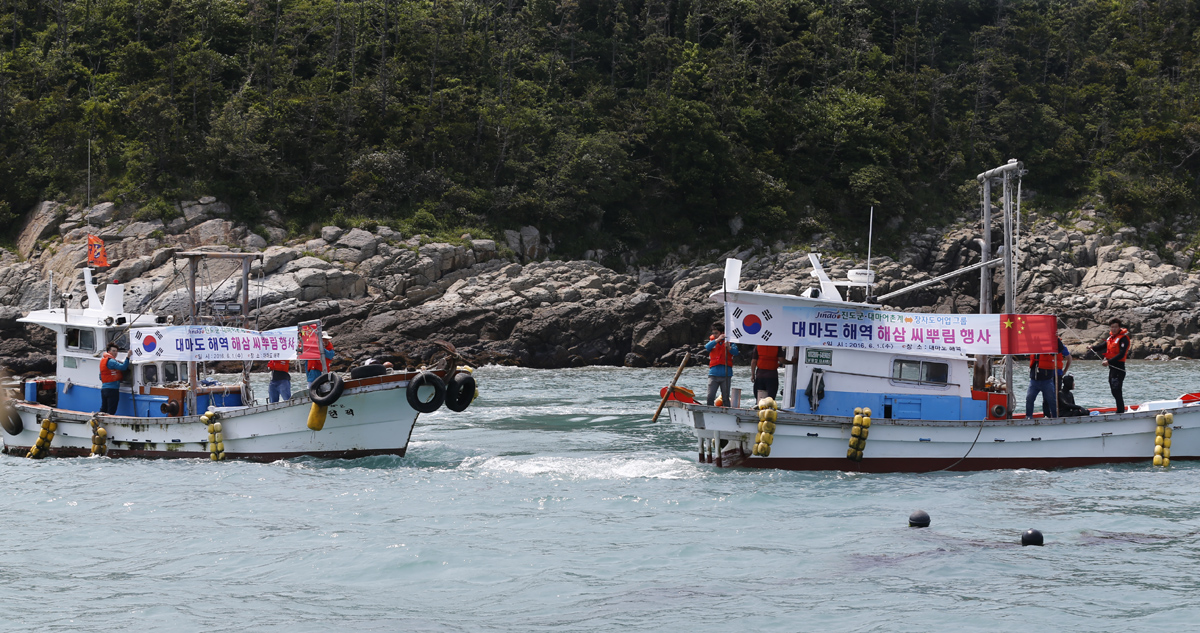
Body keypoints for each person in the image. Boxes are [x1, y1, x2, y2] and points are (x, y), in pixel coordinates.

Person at [1026, 335, 1071, 419]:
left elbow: (1062, 351)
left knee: (1051, 399)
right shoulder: (1033, 348)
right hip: (1034, 380)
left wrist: (1064, 371)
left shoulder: (1051, 348)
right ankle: (1030, 417)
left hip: (1048, 379)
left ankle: (1054, 417)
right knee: (1030, 398)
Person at [1092, 318, 1130, 413]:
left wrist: (1109, 362)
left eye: (1116, 327)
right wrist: (1092, 347)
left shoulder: (1123, 339)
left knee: (1117, 389)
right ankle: (1120, 409)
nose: (1113, 329)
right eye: (1112, 327)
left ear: (1119, 327)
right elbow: (1102, 346)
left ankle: (1120, 411)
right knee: (1113, 390)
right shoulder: (1111, 338)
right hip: (1112, 369)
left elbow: (1121, 354)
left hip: (1119, 368)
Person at [705, 322, 738, 406]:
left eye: (716, 333)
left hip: (726, 374)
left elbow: (736, 352)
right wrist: (717, 340)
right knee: (710, 397)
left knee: (725, 398)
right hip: (713, 374)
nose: (714, 335)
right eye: (713, 333)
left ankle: (727, 414)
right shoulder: (713, 341)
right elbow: (707, 347)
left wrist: (729, 347)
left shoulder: (730, 341)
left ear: (722, 333)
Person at [99, 342, 131, 415]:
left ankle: (99, 424)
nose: (115, 353)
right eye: (113, 351)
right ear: (109, 352)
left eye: (116, 351)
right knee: (111, 410)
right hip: (112, 390)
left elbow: (100, 377)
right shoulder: (112, 361)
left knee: (103, 409)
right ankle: (108, 424)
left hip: (104, 389)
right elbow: (123, 367)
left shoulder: (103, 361)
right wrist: (128, 357)